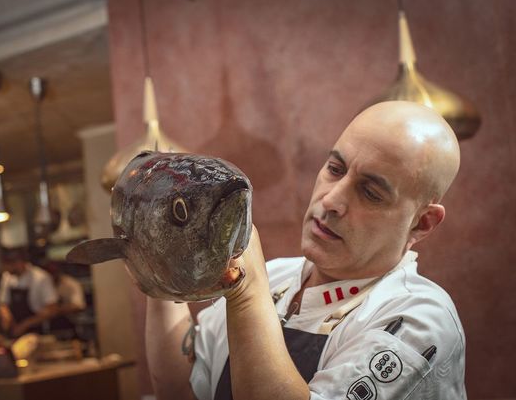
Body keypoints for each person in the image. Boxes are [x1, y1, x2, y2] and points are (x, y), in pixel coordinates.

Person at [144, 101, 466, 400]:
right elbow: (181, 387)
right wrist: (160, 265)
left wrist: (247, 292)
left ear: (422, 223)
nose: (331, 200)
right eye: (335, 169)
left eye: (370, 192)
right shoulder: (276, 275)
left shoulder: (420, 319)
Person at [0, 247, 58, 338]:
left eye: (7, 265)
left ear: (19, 262)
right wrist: (6, 315)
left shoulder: (41, 277)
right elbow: (2, 302)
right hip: (14, 330)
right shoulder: (7, 277)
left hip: (37, 332)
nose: (4, 268)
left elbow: (52, 309)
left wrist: (25, 324)